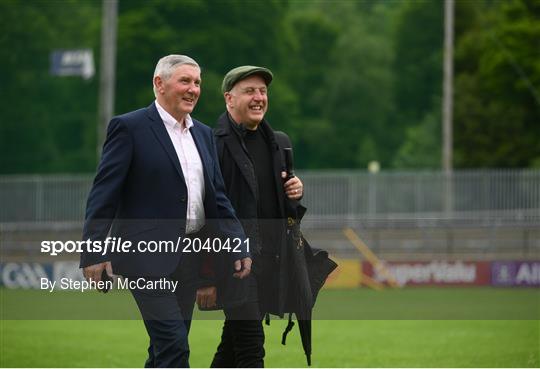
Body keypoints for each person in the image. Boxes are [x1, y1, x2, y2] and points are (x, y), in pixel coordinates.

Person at [80, 55, 251, 368]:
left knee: (164, 349)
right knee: (174, 345)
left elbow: (219, 198)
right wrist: (93, 250)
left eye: (197, 82)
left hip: (190, 257)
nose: (193, 89)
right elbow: (104, 193)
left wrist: (237, 241)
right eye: (185, 81)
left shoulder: (203, 134)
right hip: (145, 256)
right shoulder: (129, 128)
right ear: (159, 84)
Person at [197, 65, 304, 367]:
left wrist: (294, 195)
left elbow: (285, 211)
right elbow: (204, 214)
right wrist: (205, 276)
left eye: (263, 91)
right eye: (249, 91)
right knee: (250, 350)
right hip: (233, 266)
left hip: (272, 263)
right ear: (229, 99)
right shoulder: (210, 145)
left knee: (232, 347)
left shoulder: (279, 143)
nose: (258, 97)